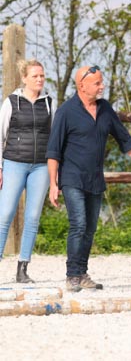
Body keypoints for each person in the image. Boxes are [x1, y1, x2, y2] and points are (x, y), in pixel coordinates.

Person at [46, 65, 131, 292]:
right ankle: (72, 275)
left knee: (90, 228)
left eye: (102, 82)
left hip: (95, 179)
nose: (102, 86)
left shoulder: (105, 109)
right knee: (78, 224)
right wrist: (53, 183)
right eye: (97, 83)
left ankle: (82, 273)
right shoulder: (66, 112)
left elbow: (125, 141)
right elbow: (53, 152)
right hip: (72, 178)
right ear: (81, 85)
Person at [0, 59, 53, 283]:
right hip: (14, 162)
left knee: (32, 217)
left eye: (42, 76)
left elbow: (53, 136)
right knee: (5, 214)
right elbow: (1, 134)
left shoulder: (49, 102)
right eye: (35, 76)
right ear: (24, 78)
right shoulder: (11, 102)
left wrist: (54, 169)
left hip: (41, 166)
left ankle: (23, 269)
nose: (40, 79)